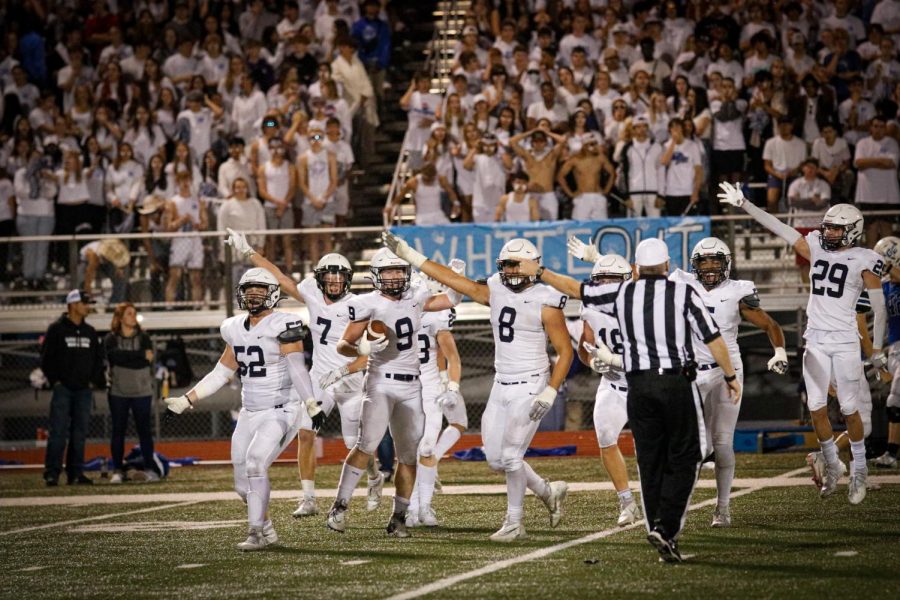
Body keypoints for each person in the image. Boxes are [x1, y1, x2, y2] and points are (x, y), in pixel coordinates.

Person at [504, 238, 740, 562]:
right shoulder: (682, 293)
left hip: (638, 385)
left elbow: (577, 289)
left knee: (648, 460)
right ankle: (663, 523)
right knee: (688, 455)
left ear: (636, 270)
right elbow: (712, 337)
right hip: (670, 382)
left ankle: (654, 522)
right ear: (668, 267)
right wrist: (730, 374)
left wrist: (541, 270)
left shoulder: (622, 294)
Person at [383, 234, 572, 542]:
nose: (508, 272)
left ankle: (514, 522)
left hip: (531, 383)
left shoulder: (547, 299)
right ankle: (547, 491)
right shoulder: (495, 287)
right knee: (496, 460)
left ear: (532, 266)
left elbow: (566, 352)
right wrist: (413, 257)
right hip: (501, 383)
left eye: (515, 265)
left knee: (511, 457)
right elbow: (456, 281)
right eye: (505, 265)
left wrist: (550, 390)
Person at [718, 182, 888, 505]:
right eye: (828, 228)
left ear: (852, 231)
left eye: (837, 229)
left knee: (850, 409)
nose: (829, 233)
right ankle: (833, 465)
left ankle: (861, 470)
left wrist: (877, 350)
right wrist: (746, 205)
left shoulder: (865, 258)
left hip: (845, 342)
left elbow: (878, 307)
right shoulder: (816, 246)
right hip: (816, 340)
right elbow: (781, 228)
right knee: (816, 408)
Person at [164, 268, 319, 551]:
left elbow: (297, 367)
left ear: (272, 295)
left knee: (255, 463)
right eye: (248, 290)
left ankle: (255, 532)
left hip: (280, 409)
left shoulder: (284, 324)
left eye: (259, 290)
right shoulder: (234, 328)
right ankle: (267, 529)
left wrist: (309, 400)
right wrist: (187, 399)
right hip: (250, 411)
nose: (253, 295)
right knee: (240, 482)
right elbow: (221, 373)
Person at [228, 231, 381, 517]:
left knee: (355, 443)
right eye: (329, 277)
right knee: (305, 432)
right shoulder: (312, 292)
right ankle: (309, 498)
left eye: (339, 278)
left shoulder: (359, 305)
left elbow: (369, 353)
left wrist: (345, 367)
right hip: (319, 377)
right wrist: (249, 252)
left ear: (347, 279)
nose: (334, 282)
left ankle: (374, 477)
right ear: (320, 278)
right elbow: (280, 278)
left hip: (349, 379)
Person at [328, 248, 461, 538]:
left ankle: (398, 518)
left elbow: (451, 299)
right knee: (367, 444)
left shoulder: (416, 296)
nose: (395, 276)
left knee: (409, 456)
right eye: (388, 271)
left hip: (412, 385)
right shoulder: (368, 303)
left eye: (399, 270)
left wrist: (454, 278)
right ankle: (339, 506)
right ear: (376, 275)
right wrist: (360, 348)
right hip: (380, 381)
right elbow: (343, 344)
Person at [667, 238, 787, 526]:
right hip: (691, 371)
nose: (709, 268)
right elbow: (643, 278)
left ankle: (722, 508)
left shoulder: (737, 291)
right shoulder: (680, 282)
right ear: (693, 265)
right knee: (688, 441)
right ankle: (676, 503)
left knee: (722, 442)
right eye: (703, 262)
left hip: (727, 371)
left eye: (715, 261)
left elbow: (771, 324)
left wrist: (780, 350)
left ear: (727, 263)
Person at [575, 254, 643, 526]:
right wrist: (593, 361)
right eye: (601, 280)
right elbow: (583, 346)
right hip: (612, 385)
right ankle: (627, 502)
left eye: (612, 280)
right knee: (605, 438)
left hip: (642, 385)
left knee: (646, 448)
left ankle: (653, 498)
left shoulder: (641, 305)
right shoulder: (591, 309)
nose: (605, 286)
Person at [407, 268, 468, 528]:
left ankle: (423, 507)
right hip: (404, 389)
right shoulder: (388, 316)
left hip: (430, 387)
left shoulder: (435, 318)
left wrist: (449, 384)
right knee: (408, 452)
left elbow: (451, 355)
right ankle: (409, 508)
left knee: (428, 447)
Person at [41, 290, 107, 487]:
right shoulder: (56, 330)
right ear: (73, 305)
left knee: (80, 433)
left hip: (83, 390)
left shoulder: (90, 331)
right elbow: (46, 358)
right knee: (58, 432)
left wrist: (92, 381)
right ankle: (52, 473)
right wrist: (56, 381)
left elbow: (97, 360)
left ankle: (75, 473)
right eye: (84, 303)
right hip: (64, 389)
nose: (87, 306)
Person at [104, 302, 157, 483]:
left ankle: (150, 469)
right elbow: (114, 358)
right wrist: (138, 356)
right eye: (129, 314)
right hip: (118, 392)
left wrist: (126, 358)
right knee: (118, 431)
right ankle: (117, 470)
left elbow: (147, 361)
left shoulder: (144, 337)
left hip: (142, 391)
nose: (133, 317)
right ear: (119, 318)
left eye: (134, 313)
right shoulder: (110, 339)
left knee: (145, 431)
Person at [872, 236, 900, 469]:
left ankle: (891, 453)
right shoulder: (885, 283)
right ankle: (891, 453)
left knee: (894, 400)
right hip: (894, 348)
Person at [164, 171, 208, 305]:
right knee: (175, 275)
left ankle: (197, 307)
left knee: (196, 277)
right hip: (180, 239)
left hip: (194, 238)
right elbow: (168, 226)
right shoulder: (173, 202)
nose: (185, 183)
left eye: (187, 180)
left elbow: (205, 224)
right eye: (182, 180)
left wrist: (197, 224)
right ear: (177, 183)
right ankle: (169, 307)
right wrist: (182, 220)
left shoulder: (198, 201)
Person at [508, 127, 566, 221]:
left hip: (548, 195)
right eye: (536, 141)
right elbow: (512, 141)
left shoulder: (551, 156)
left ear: (546, 142)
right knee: (530, 225)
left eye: (541, 141)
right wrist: (531, 131)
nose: (538, 144)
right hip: (531, 195)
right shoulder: (528, 156)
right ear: (532, 143)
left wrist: (547, 132)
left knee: (551, 225)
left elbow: (562, 140)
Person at [258, 136, 297, 276]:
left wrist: (283, 204)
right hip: (270, 206)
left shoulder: (290, 166)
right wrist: (276, 202)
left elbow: (293, 187)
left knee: (288, 241)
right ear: (269, 149)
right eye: (272, 148)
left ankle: (289, 271)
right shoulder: (263, 168)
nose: (276, 151)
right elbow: (262, 190)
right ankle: (271, 273)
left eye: (278, 147)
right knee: (271, 242)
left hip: (287, 206)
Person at [557, 132, 616, 221]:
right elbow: (560, 176)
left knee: (600, 226)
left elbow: (612, 173)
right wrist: (570, 193)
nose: (595, 146)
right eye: (592, 144)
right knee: (580, 227)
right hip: (582, 197)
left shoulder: (600, 158)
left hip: (598, 196)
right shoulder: (575, 159)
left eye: (596, 143)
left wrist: (606, 190)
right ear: (585, 145)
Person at [218, 178, 266, 286]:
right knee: (235, 274)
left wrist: (261, 244)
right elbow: (221, 226)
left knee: (252, 275)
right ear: (233, 189)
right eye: (237, 187)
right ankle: (235, 300)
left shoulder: (255, 204)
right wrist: (224, 246)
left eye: (243, 187)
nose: (240, 190)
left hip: (252, 244)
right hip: (234, 246)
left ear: (247, 189)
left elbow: (261, 224)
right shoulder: (227, 205)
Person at [615, 115, 665, 218]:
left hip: (653, 192)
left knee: (655, 224)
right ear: (633, 129)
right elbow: (623, 172)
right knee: (633, 226)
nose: (641, 129)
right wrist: (626, 196)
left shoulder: (656, 146)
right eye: (638, 127)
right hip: (634, 192)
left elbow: (661, 171)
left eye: (644, 126)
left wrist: (661, 194)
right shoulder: (627, 148)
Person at [385, 162, 457, 226]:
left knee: (450, 230)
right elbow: (400, 196)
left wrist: (456, 203)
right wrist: (391, 206)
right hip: (422, 217)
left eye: (431, 179)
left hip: (438, 215)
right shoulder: (413, 182)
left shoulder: (440, 179)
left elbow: (450, 192)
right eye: (427, 178)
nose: (429, 181)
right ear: (422, 174)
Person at [80, 238, 131, 303]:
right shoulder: (93, 254)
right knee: (83, 282)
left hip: (105, 262)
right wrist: (88, 296)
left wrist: (118, 269)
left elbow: (117, 262)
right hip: (86, 262)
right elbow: (89, 277)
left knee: (120, 280)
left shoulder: (112, 252)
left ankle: (115, 304)